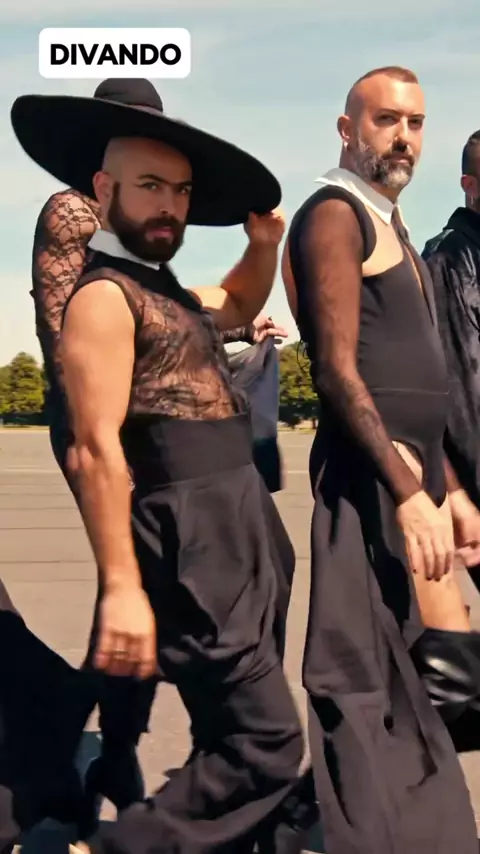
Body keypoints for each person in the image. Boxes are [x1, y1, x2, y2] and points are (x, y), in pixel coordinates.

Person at [11, 78, 306, 854]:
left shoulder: (161, 284)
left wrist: (263, 246)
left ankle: (123, 781)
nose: (170, 204)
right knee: (265, 741)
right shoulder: (101, 293)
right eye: (150, 185)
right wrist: (120, 584)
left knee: (228, 721)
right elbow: (95, 445)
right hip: (188, 516)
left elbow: (236, 305)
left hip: (240, 510)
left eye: (180, 190)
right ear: (104, 187)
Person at [281, 65, 478, 854]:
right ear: (347, 128)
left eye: (415, 123)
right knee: (362, 680)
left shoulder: (391, 223)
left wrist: (449, 487)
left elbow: (419, 382)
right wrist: (405, 489)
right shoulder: (335, 216)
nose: (403, 137)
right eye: (385, 119)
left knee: (446, 672)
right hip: (370, 483)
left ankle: (311, 815)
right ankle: (323, 821)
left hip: (418, 480)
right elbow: (335, 371)